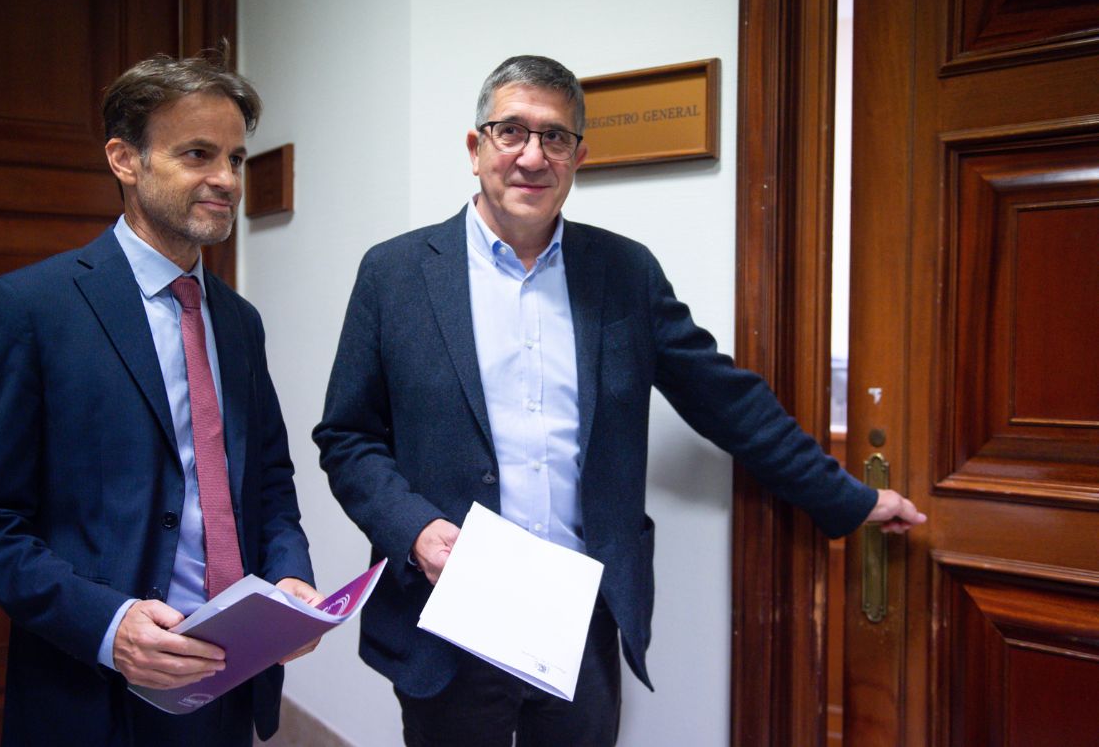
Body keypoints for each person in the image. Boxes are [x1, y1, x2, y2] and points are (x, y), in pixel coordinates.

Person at [312, 54, 925, 747]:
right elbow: (349, 438)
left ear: (580, 156)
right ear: (475, 147)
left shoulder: (625, 273)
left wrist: (847, 496)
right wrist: (415, 529)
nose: (532, 156)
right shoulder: (394, 275)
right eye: (510, 132)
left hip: (579, 616)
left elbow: (726, 400)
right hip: (446, 613)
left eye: (555, 138)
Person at [0, 48, 319, 747]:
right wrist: (109, 627)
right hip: (93, 691)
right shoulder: (30, 308)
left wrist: (290, 579)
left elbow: (269, 483)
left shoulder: (239, 322)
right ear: (125, 159)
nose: (226, 181)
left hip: (233, 676)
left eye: (237, 159)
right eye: (198, 154)